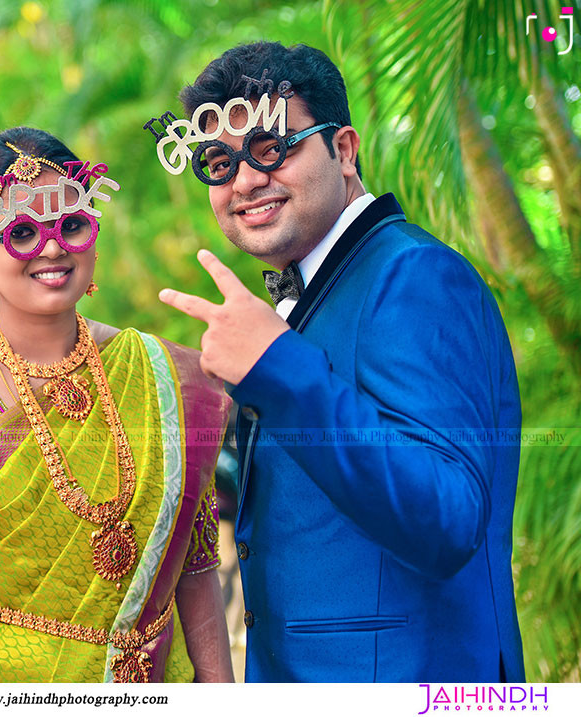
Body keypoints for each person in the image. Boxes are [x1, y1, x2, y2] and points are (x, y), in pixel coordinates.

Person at [154, 42, 525, 682]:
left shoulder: (414, 276)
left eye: (272, 148)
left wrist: (278, 367)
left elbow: (447, 518)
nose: (245, 180)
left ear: (344, 150)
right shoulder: (319, 293)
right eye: (219, 163)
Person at [0, 127, 234, 683]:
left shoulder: (163, 377)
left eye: (71, 225)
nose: (52, 248)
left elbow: (194, 565)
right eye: (22, 233)